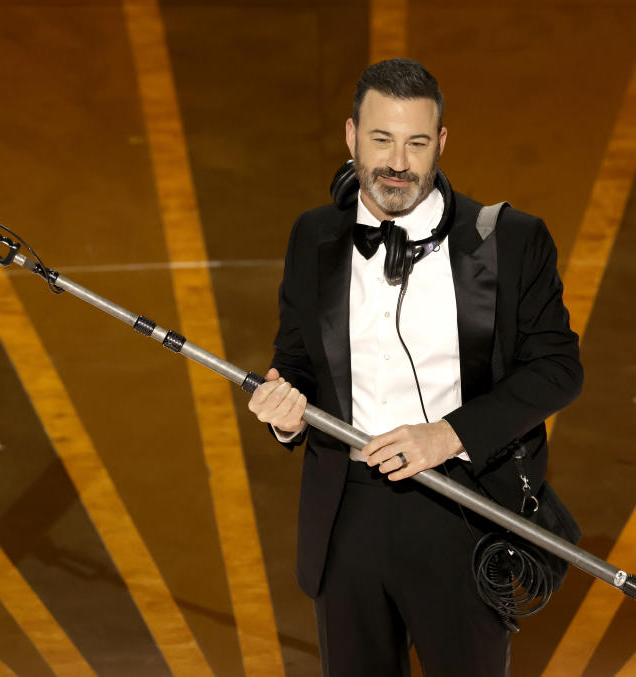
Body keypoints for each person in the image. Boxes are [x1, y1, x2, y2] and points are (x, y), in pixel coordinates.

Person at [248, 58, 583, 676]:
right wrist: (284, 414)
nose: (397, 162)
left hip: (462, 508)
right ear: (350, 136)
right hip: (345, 515)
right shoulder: (313, 236)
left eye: (416, 142)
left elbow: (558, 368)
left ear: (441, 145)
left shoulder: (510, 239)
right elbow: (293, 362)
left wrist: (448, 435)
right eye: (380, 139)